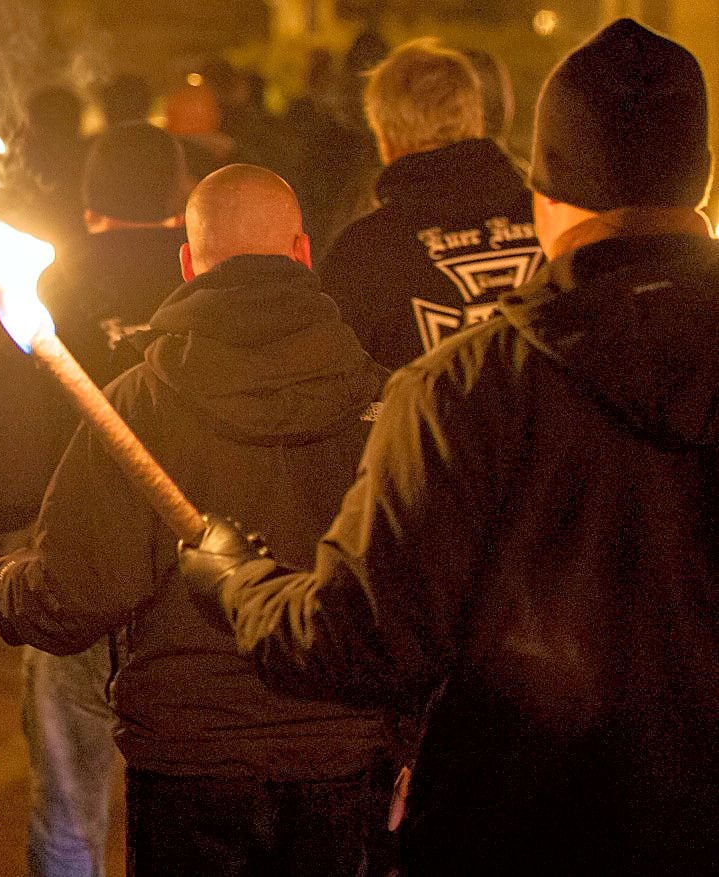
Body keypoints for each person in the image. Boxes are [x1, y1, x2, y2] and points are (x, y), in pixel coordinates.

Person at [172, 19, 718, 875]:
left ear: (544, 194)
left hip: (513, 826)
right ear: (703, 184)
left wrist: (238, 583)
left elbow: (360, 640)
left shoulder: (460, 390)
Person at [0, 164, 389, 876]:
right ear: (303, 252)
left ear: (187, 262)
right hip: (343, 760)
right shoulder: (389, 403)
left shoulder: (141, 405)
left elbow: (77, 594)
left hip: (193, 765)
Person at [0, 121, 189, 877]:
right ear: (176, 194)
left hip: (67, 564)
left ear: (92, 199)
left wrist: (5, 533)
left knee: (68, 796)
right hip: (185, 580)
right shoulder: (200, 279)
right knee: (186, 790)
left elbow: (3, 425)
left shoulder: (52, 282)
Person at [319, 38, 541, 371]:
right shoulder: (554, 222)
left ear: (384, 137)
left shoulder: (361, 256)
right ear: (477, 119)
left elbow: (337, 392)